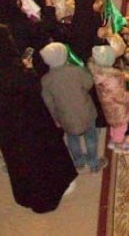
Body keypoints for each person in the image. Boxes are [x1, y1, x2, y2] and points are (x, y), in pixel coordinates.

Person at [0, 23, 78, 213]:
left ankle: (30, 197)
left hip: (12, 138)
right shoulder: (19, 71)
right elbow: (35, 89)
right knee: (46, 159)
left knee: (23, 165)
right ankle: (56, 189)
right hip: (36, 128)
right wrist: (30, 69)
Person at [39, 43, 103, 174]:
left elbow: (48, 102)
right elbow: (89, 83)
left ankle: (78, 162)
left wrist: (55, 119)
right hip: (86, 112)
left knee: (72, 139)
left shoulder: (45, 80)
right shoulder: (77, 70)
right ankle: (93, 163)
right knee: (91, 138)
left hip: (65, 117)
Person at [87, 45, 129, 154]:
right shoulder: (112, 80)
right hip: (118, 110)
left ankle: (113, 140)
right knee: (121, 128)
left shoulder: (98, 74)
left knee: (114, 126)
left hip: (109, 108)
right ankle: (119, 144)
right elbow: (120, 97)